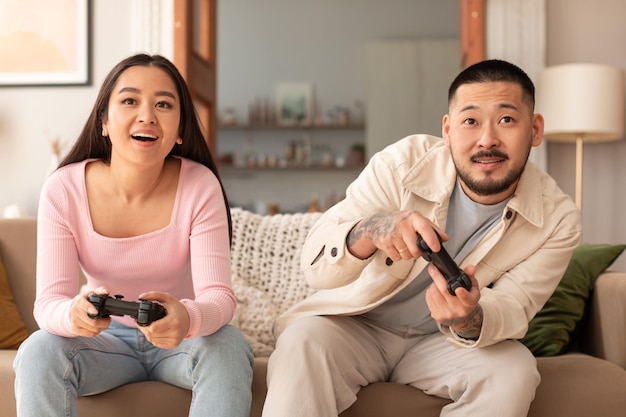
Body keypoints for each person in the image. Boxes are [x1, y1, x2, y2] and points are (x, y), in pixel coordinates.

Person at [262, 59, 582, 416]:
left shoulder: (558, 219)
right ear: (447, 130)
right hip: (356, 328)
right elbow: (316, 267)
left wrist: (468, 317)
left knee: (514, 370)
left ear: (535, 130)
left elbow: (515, 306)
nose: (487, 139)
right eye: (470, 121)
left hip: (445, 344)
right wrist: (371, 229)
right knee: (302, 342)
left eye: (506, 120)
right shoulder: (402, 162)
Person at [13, 53, 254, 417]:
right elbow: (48, 305)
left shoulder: (200, 185)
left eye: (163, 104)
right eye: (130, 101)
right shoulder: (63, 189)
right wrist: (73, 316)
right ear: (104, 122)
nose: (147, 115)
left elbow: (219, 297)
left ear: (180, 130)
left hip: (182, 341)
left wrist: (188, 319)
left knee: (229, 345)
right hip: (105, 344)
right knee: (37, 350)